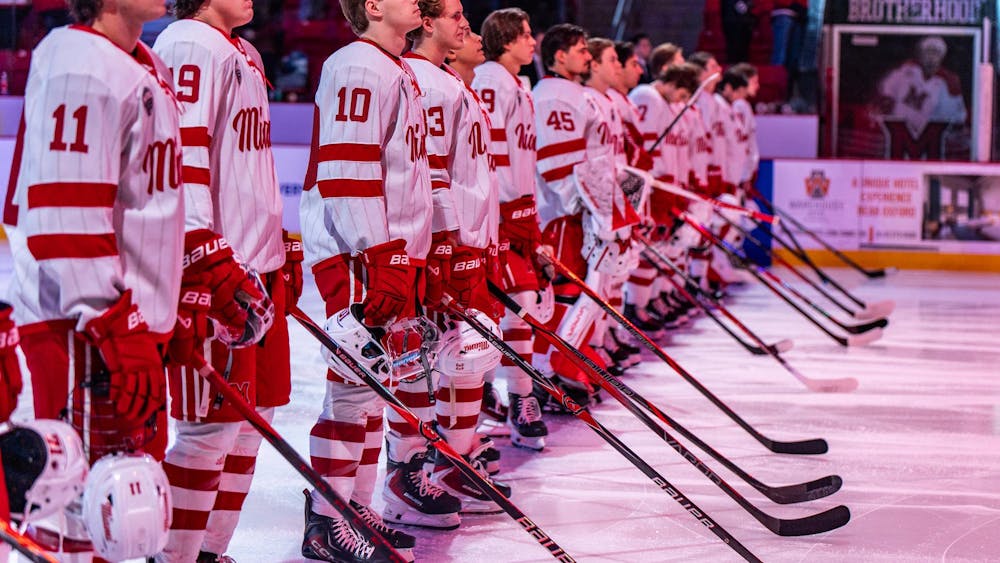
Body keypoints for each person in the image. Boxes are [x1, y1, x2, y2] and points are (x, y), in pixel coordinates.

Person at [2, 0, 185, 555]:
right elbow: (66, 215)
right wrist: (118, 324)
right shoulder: (80, 61)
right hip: (85, 331)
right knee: (76, 508)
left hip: (121, 323)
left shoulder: (141, 62)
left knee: (125, 514)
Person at [152, 0, 297, 558]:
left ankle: (210, 550)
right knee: (207, 431)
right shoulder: (188, 41)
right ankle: (177, 556)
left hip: (256, 266)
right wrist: (202, 253)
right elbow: (181, 158)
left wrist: (280, 244)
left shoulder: (247, 52)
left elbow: (248, 163)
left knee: (250, 423)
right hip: (217, 269)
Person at [298, 0, 430, 559]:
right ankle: (326, 522)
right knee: (351, 393)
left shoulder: (393, 65)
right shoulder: (356, 62)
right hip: (363, 254)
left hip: (384, 252)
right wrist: (381, 252)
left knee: (372, 393)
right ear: (373, 7)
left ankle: (354, 510)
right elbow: (348, 166)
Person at [398, 0, 507, 522]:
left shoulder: (448, 82)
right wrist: (449, 247)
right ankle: (432, 465)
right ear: (426, 23)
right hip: (447, 246)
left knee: (467, 358)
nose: (466, 24)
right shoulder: (427, 82)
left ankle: (451, 458)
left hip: (465, 242)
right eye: (455, 14)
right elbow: (433, 171)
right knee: (445, 361)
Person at [534, 25, 627, 408]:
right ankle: (546, 369)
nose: (587, 56)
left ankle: (562, 361)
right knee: (567, 293)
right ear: (559, 56)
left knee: (582, 292)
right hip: (562, 212)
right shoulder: (556, 94)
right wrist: (589, 205)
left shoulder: (574, 95)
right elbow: (558, 166)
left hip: (582, 210)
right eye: (580, 49)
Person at [472, 7, 550, 450]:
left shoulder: (520, 84)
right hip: (497, 214)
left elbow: (526, 158)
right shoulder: (489, 79)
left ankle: (498, 389)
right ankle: (518, 396)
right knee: (514, 303)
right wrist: (500, 212)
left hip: (520, 210)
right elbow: (490, 153)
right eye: (525, 35)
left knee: (524, 304)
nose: (532, 42)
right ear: (505, 40)